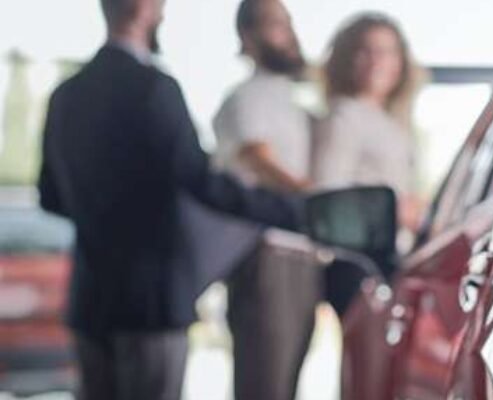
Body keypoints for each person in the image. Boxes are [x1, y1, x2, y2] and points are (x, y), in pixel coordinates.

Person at [37, 0, 305, 399]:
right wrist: (294, 211)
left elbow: (50, 197)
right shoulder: (155, 89)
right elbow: (202, 183)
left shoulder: (66, 95)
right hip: (152, 300)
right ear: (148, 10)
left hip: (90, 298)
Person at [211, 1, 320, 400]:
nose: (288, 34)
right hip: (267, 254)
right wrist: (318, 199)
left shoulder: (290, 101)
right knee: (265, 385)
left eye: (288, 23)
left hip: (300, 253)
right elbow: (257, 157)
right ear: (248, 36)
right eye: (276, 24)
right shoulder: (247, 97)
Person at [311, 12, 425, 316]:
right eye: (366, 50)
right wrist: (396, 210)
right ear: (347, 58)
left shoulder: (393, 124)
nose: (377, 61)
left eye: (387, 51)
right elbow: (327, 194)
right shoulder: (343, 116)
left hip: (391, 258)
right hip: (357, 263)